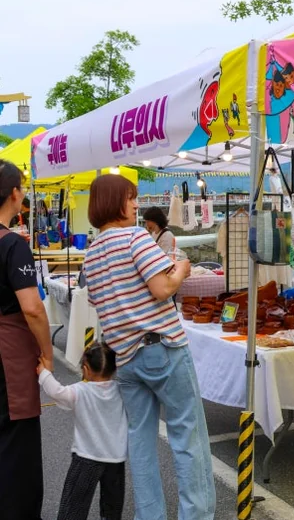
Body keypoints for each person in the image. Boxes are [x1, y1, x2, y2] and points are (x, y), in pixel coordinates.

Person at [83, 174, 215, 520]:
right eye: (130, 198)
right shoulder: (135, 238)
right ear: (114, 202)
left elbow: (100, 301)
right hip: (162, 347)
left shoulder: (91, 254)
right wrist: (183, 269)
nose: (135, 205)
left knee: (140, 445)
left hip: (124, 358)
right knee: (187, 438)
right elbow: (162, 288)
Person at [0, 159, 53, 519]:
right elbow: (32, 308)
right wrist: (48, 354)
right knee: (15, 443)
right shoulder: (13, 245)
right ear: (15, 194)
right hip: (8, 355)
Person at [38, 342, 127, 520]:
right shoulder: (122, 390)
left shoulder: (81, 391)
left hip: (87, 458)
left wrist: (44, 373)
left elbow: (57, 392)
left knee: (73, 507)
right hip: (116, 458)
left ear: (86, 369)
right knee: (112, 508)